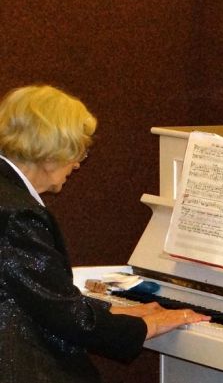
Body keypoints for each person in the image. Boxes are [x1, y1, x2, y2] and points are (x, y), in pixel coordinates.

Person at [0, 85, 210, 383]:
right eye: (78, 151)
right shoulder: (18, 215)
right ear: (49, 153)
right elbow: (66, 317)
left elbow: (40, 299)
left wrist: (114, 313)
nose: (78, 163)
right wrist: (149, 325)